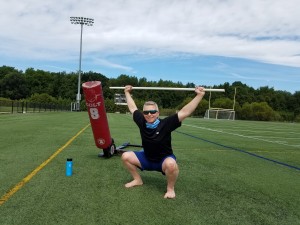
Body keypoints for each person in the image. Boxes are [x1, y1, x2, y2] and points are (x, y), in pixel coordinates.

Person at [121, 85, 205, 199]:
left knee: (171, 165)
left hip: (163, 161)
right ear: (143, 114)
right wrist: (126, 92)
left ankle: (170, 189)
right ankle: (137, 180)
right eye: (146, 112)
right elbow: (132, 108)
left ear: (158, 112)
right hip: (146, 158)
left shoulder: (165, 123)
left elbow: (185, 112)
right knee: (125, 156)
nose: (149, 114)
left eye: (152, 111)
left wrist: (199, 95)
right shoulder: (141, 121)